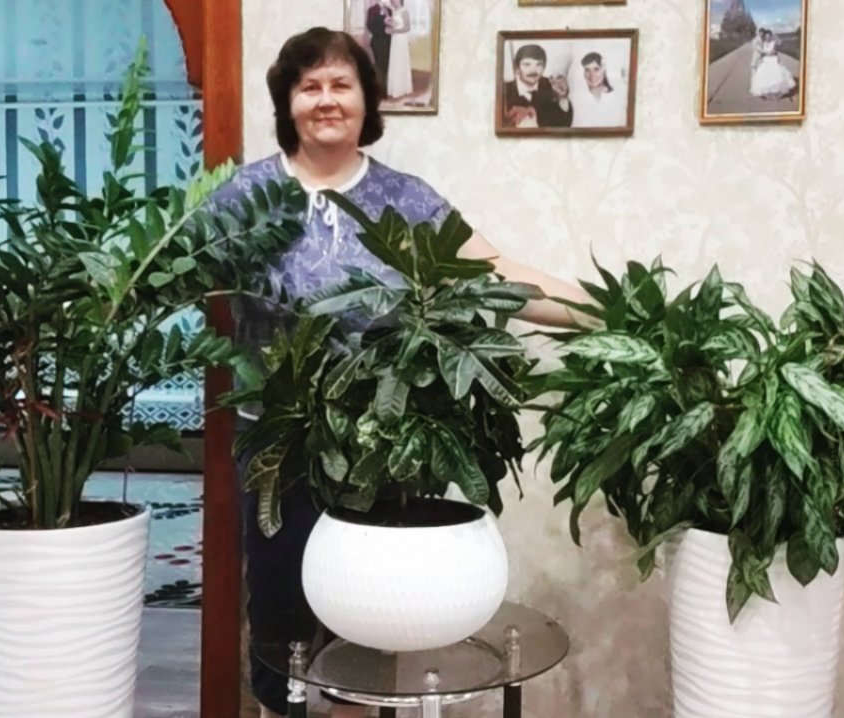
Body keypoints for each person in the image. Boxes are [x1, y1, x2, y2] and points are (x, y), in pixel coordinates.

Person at [207, 27, 593, 718]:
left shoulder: (403, 198)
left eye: (341, 84)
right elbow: (175, 273)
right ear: (288, 102)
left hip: (378, 442)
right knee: (280, 609)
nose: (326, 99)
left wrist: (599, 311)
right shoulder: (245, 195)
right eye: (309, 86)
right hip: (279, 445)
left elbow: (493, 271)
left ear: (366, 101)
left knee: (366, 614)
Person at [501, 44, 573, 129]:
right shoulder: (504, 92)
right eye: (527, 64)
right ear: (517, 68)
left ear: (544, 68)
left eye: (538, 64)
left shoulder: (552, 85)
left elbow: (564, 124)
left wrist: (562, 97)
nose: (533, 70)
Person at [570, 51, 627, 128]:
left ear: (603, 70)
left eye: (596, 69)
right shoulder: (576, 99)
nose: (591, 75)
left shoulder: (618, 97)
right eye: (587, 70)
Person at [749, 28, 796, 99]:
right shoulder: (763, 43)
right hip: (766, 59)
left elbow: (778, 46)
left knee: (776, 74)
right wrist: (766, 53)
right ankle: (767, 91)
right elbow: (761, 50)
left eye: (769, 36)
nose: (767, 38)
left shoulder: (773, 42)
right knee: (765, 75)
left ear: (771, 36)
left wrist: (775, 54)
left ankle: (776, 90)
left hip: (773, 59)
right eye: (766, 36)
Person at [384, 0, 413, 99]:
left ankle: (402, 88)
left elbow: (407, 27)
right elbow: (395, 24)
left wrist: (393, 30)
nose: (394, 1)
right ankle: (394, 88)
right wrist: (389, 23)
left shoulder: (404, 11)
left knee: (401, 62)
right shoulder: (394, 11)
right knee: (395, 61)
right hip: (395, 39)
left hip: (401, 39)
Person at [365, 0, 392, 84]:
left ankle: (386, 84)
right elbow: (370, 25)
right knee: (379, 64)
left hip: (388, 41)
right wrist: (383, 24)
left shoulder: (389, 10)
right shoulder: (372, 10)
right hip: (377, 41)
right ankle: (380, 85)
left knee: (386, 64)